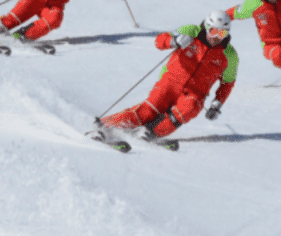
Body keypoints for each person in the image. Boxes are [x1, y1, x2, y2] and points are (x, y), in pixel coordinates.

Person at [94, 11, 238, 142]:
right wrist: (173, 41)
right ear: (206, 26)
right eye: (213, 31)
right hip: (170, 83)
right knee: (148, 111)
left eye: (221, 34)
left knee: (190, 108)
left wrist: (217, 103)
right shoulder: (190, 31)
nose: (215, 37)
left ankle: (150, 133)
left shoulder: (229, 56)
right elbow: (160, 40)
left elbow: (228, 83)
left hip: (195, 93)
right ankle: (104, 126)